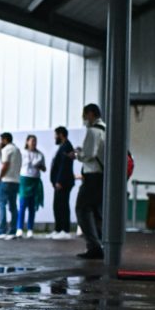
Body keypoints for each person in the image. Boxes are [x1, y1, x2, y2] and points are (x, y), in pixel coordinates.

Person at [73, 104, 106, 259]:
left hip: (93, 176)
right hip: (103, 177)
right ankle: (101, 244)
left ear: (91, 114)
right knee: (97, 212)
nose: (83, 118)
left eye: (84, 114)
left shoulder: (93, 131)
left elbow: (89, 154)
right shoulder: (106, 129)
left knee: (82, 209)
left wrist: (78, 154)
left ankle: (94, 246)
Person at [0, 132, 21, 240]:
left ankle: (1, 230)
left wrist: (0, 177)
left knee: (2, 205)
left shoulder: (6, 149)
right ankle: (13, 231)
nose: (0, 142)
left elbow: (4, 164)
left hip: (6, 180)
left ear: (5, 140)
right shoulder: (17, 150)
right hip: (16, 181)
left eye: (1, 140)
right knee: (13, 206)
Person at [49, 126, 75, 239]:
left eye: (56, 135)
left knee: (63, 205)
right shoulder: (63, 146)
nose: (55, 137)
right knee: (57, 205)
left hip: (63, 183)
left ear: (61, 135)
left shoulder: (66, 146)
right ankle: (58, 229)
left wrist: (59, 181)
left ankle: (65, 230)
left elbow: (65, 166)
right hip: (60, 182)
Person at [18, 134, 46, 239]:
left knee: (32, 206)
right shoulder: (22, 153)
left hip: (35, 180)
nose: (34, 143)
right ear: (27, 142)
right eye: (32, 141)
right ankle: (19, 228)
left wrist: (39, 166)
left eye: (35, 141)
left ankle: (30, 229)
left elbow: (44, 169)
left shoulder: (40, 155)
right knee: (22, 205)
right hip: (24, 179)